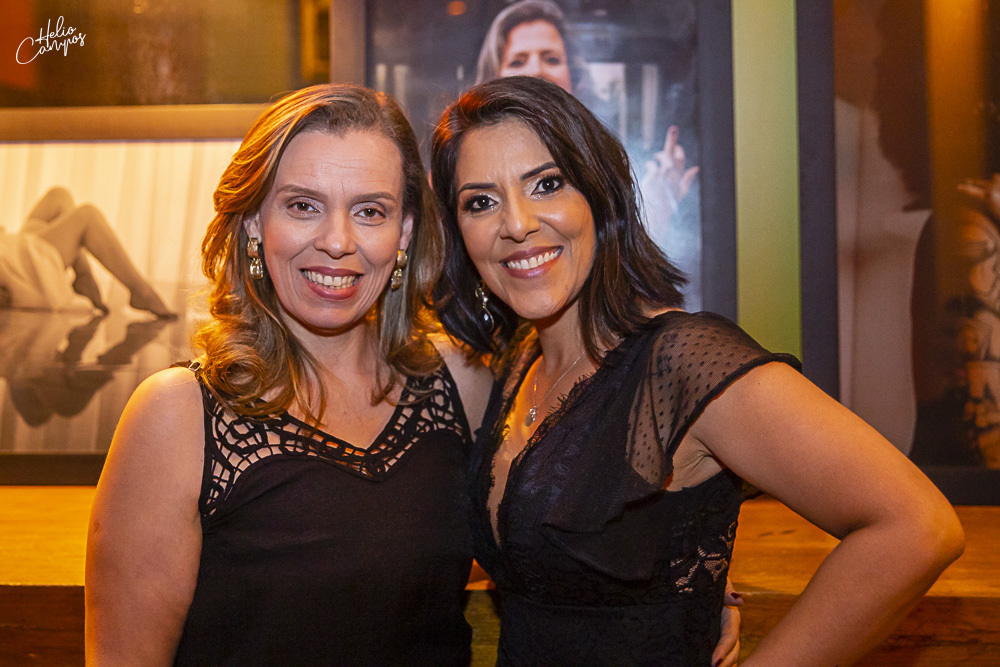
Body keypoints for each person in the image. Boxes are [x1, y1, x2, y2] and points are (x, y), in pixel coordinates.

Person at [430, 75, 966, 665]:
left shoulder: (681, 361)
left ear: (598, 195)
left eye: (547, 184)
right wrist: (681, 568)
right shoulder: (518, 362)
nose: (516, 223)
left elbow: (918, 528)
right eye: (481, 202)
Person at [84, 83, 495, 665]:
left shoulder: (460, 384)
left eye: (370, 211)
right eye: (304, 205)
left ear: (404, 232)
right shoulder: (177, 415)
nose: (338, 242)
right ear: (254, 222)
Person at [474, 0, 700, 304]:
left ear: (574, 77)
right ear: (492, 77)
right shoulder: (465, 168)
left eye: (551, 58)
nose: (536, 70)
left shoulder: (604, 165)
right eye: (518, 61)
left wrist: (651, 219)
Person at [0, 186, 174, 318]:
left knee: (59, 196)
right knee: (88, 216)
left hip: (7, 246)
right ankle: (141, 291)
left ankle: (83, 275)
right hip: (10, 265)